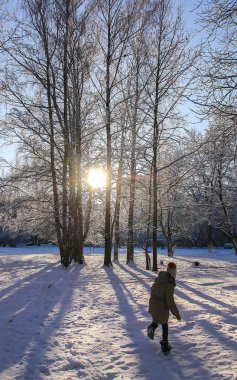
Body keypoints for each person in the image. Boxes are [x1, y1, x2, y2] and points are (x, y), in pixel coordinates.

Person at [147, 262, 181, 353]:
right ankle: (165, 345)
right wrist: (176, 313)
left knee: (157, 319)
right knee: (164, 324)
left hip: (153, 304)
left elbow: (153, 292)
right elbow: (170, 301)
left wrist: (150, 307)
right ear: (173, 273)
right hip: (161, 305)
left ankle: (151, 327)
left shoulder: (159, 279)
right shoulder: (169, 284)